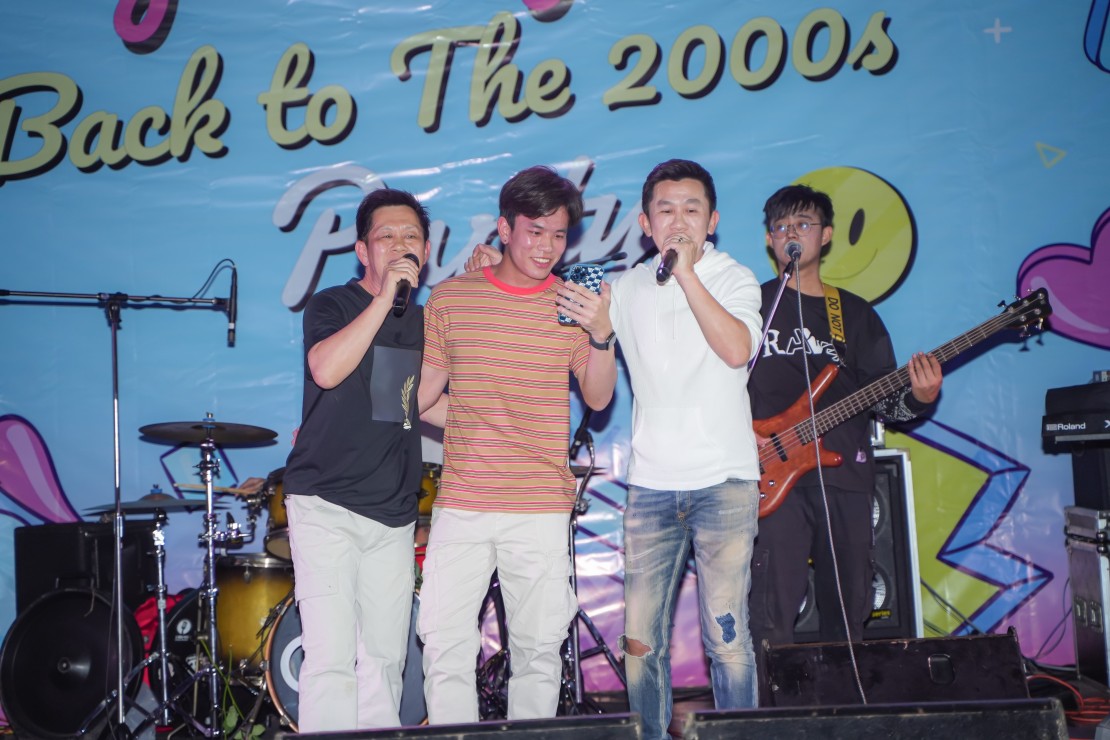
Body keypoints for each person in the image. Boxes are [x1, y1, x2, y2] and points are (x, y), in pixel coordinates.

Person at [466, 159, 765, 740]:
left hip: (725, 483)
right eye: (665, 210)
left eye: (692, 209)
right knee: (640, 644)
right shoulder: (624, 288)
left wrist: (686, 275)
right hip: (650, 488)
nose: (679, 220)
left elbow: (735, 351)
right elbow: (547, 300)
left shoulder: (735, 277)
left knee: (727, 638)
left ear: (712, 221)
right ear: (645, 223)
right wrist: (486, 266)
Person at [415, 165, 617, 724]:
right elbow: (420, 397)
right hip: (464, 501)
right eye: (535, 231)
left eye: (559, 235)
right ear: (504, 229)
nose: (547, 247)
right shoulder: (451, 299)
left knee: (539, 652)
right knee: (446, 645)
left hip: (539, 505)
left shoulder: (573, 305)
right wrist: (470, 419)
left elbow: (599, 397)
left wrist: (603, 334)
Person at [747, 184, 942, 663]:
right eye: (781, 227)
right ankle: (772, 707)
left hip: (844, 476)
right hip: (769, 477)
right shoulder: (748, 306)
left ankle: (846, 704)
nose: (792, 234)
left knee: (848, 607)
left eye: (803, 224)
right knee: (771, 614)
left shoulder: (853, 314)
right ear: (770, 240)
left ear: (827, 235)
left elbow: (887, 402)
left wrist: (920, 398)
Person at [281, 187, 431, 732]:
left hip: (391, 511)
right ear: (363, 251)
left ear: (426, 250)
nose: (400, 244)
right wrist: (384, 299)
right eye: (386, 236)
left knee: (385, 661)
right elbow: (326, 369)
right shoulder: (332, 305)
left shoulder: (422, 323)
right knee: (330, 658)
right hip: (325, 503)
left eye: (411, 236)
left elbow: (404, 400)